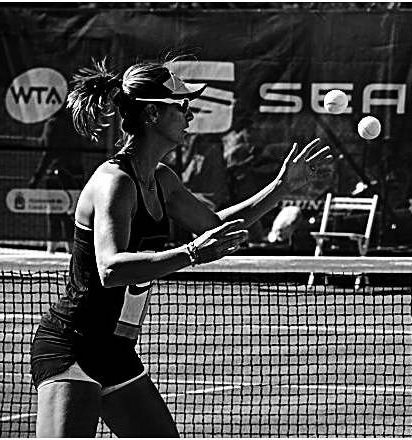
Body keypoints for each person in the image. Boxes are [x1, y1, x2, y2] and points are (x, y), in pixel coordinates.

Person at [29, 58, 333, 437]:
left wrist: (280, 187)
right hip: (73, 346)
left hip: (116, 351)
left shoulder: (162, 179)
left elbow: (215, 226)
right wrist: (191, 254)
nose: (190, 116)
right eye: (182, 106)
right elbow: (110, 269)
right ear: (153, 113)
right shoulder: (114, 183)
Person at [28, 108, 86, 253]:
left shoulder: (52, 124)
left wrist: (36, 178)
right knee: (70, 213)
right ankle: (71, 250)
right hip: (75, 173)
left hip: (56, 174)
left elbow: (48, 154)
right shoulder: (75, 123)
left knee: (54, 213)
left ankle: (51, 250)